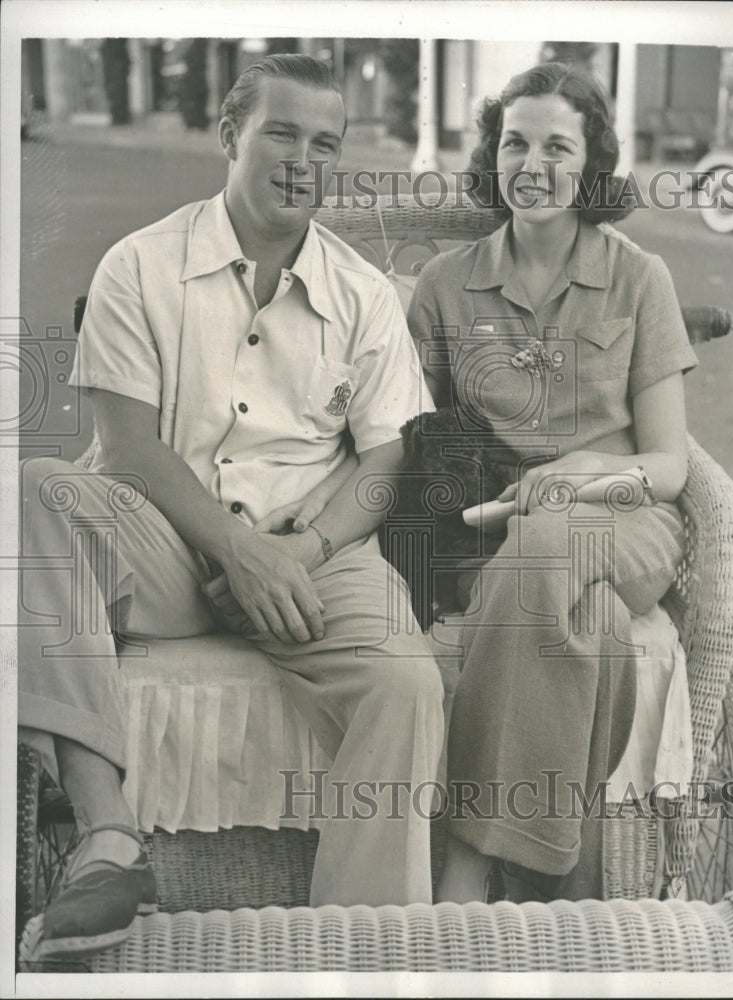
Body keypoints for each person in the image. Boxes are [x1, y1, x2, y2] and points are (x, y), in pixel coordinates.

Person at [18, 54, 444, 962]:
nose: (301, 161)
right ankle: (108, 840)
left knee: (406, 683)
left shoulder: (363, 295)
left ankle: (364, 953)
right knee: (29, 492)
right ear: (229, 135)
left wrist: (303, 549)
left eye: (322, 143)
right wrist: (236, 551)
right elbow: (129, 446)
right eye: (280, 134)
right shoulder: (140, 264)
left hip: (315, 560)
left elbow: (383, 457)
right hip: (168, 545)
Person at [406, 62, 698, 903]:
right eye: (515, 142)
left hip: (627, 520)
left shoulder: (641, 279)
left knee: (549, 551)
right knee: (593, 627)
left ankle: (465, 866)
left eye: (557, 147)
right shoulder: (444, 284)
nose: (532, 165)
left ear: (591, 165)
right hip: (487, 527)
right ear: (494, 156)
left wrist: (588, 472)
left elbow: (671, 467)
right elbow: (409, 436)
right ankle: (563, 895)